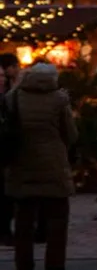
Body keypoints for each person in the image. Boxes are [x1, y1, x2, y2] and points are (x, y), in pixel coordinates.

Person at [4, 63, 76, 270]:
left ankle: (23, 264)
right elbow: (71, 135)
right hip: (53, 166)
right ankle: (54, 265)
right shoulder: (59, 100)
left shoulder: (13, 98)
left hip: (21, 164)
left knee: (23, 224)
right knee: (57, 223)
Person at [0, 52, 20, 247]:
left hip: (5, 152)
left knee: (6, 195)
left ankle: (5, 230)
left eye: (2, 77)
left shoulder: (9, 96)